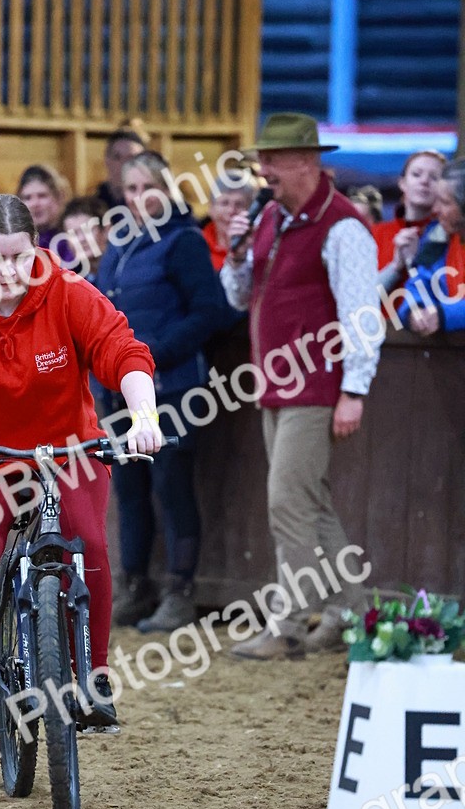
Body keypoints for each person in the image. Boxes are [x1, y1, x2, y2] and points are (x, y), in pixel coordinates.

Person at [0, 193, 160, 723]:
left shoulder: (68, 294)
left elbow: (122, 350)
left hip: (67, 452)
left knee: (86, 545)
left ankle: (93, 676)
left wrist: (145, 416)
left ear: (36, 247)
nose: (7, 270)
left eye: (19, 255)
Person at [221, 113, 381, 660]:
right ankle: (353, 613)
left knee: (288, 501)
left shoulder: (343, 227)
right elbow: (240, 296)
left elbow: (362, 313)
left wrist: (354, 389)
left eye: (273, 159)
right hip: (280, 383)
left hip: (316, 384)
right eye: (262, 159)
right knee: (311, 504)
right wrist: (237, 254)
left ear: (308, 163)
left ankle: (288, 624)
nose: (262, 169)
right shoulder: (270, 217)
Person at [96, 151, 231, 633]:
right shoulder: (119, 242)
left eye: (146, 189)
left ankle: (180, 591)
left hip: (171, 388)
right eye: (129, 191)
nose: (137, 200)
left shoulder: (184, 241)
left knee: (171, 488)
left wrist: (154, 355)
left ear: (166, 188)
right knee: (130, 491)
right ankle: (135, 586)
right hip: (117, 390)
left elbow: (208, 312)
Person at [398, 158, 465, 335]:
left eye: (445, 202)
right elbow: (420, 282)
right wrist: (415, 309)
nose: (435, 209)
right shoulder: (438, 236)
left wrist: (445, 315)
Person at [373, 150, 445, 294]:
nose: (424, 181)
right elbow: (359, 299)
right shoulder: (374, 233)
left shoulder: (452, 235)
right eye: (416, 174)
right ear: (402, 183)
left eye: (434, 177)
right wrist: (396, 266)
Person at [201, 172, 259, 271]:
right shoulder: (196, 246)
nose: (231, 211)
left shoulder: (261, 247)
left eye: (239, 204)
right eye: (224, 203)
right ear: (211, 209)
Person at [16, 164, 71, 250]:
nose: (35, 204)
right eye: (28, 198)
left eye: (42, 196)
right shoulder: (16, 242)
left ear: (59, 197)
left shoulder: (74, 238)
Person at [57, 195, 109, 282]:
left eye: (87, 231)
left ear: (106, 230)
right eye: (73, 234)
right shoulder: (69, 281)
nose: (81, 239)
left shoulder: (127, 269)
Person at [96, 129, 146, 210]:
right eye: (117, 157)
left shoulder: (157, 208)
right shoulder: (91, 209)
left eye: (131, 158)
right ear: (106, 161)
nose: (124, 164)